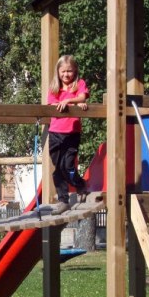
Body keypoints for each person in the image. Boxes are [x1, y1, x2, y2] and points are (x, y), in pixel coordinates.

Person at [47, 55, 89, 213]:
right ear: (58, 72)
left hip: (72, 132)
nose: (66, 75)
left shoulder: (79, 84)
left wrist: (72, 101)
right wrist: (72, 102)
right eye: (63, 71)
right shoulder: (54, 87)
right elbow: (52, 104)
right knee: (58, 168)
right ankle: (63, 200)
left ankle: (79, 184)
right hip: (55, 133)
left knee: (69, 166)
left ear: (75, 71)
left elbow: (83, 96)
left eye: (69, 71)